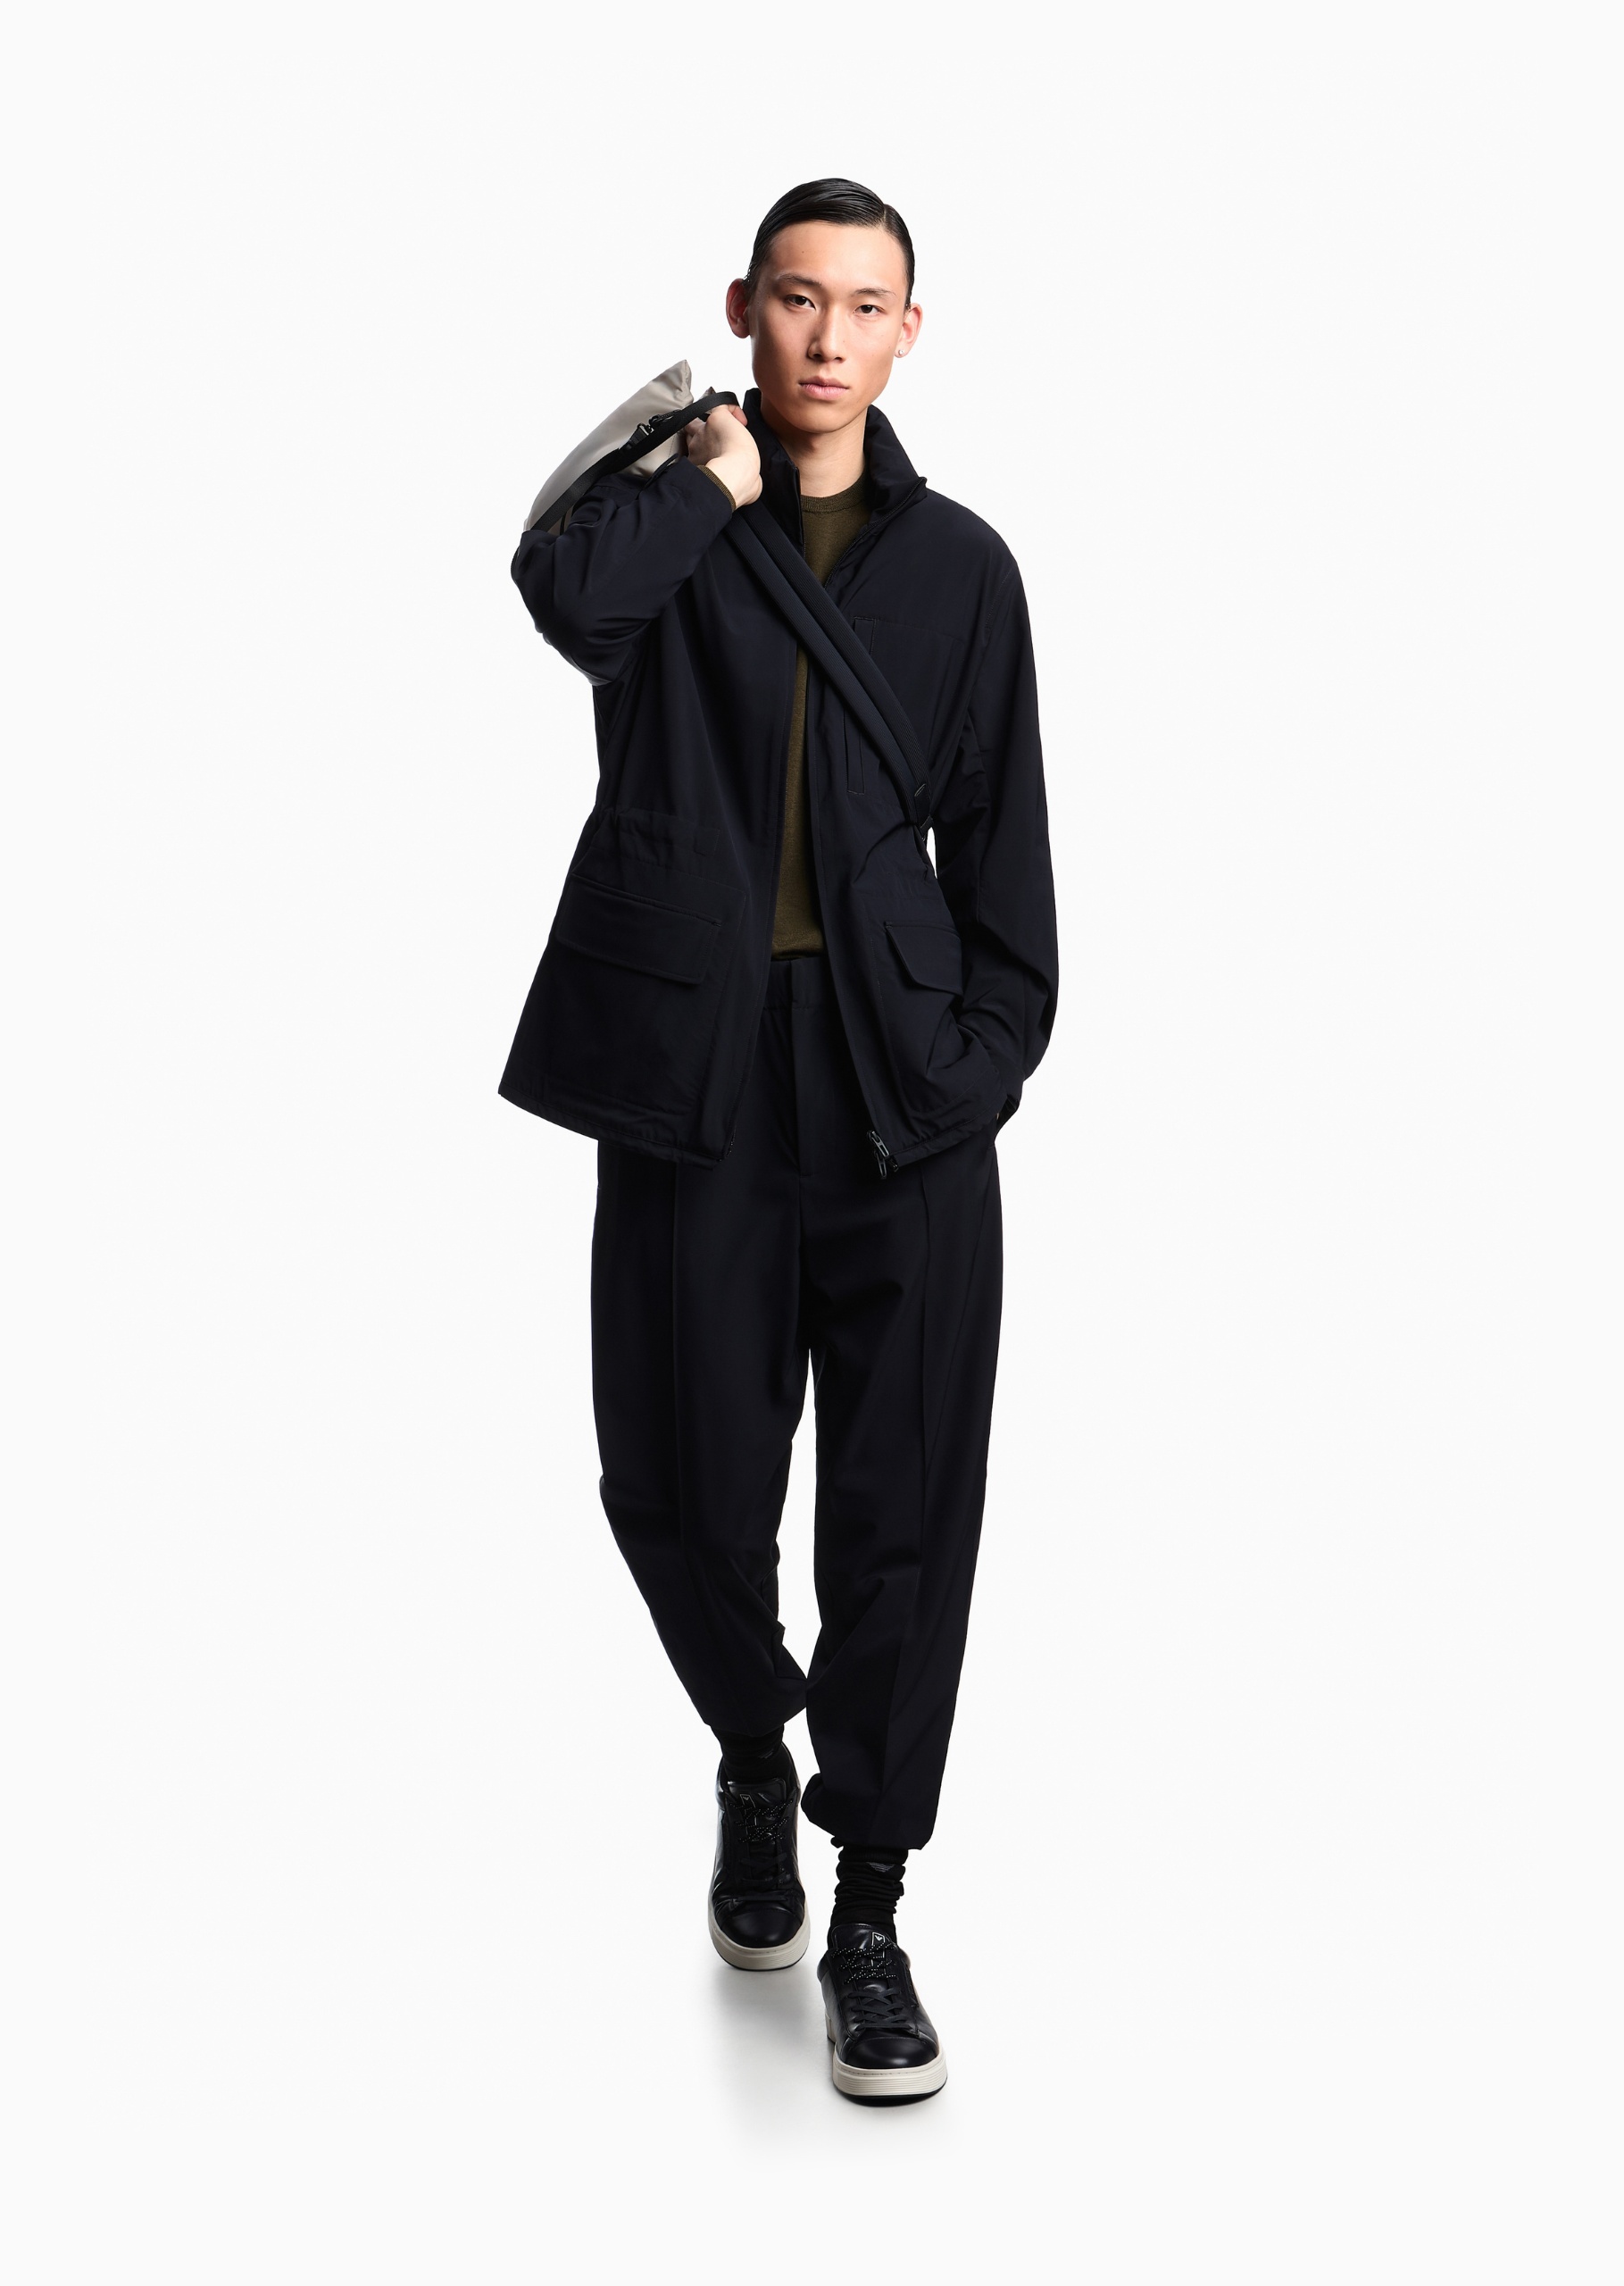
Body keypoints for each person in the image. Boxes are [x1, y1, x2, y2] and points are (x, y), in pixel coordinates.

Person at [504, 179, 1057, 2101]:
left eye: (864, 304)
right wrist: (707, 483)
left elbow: (1006, 847)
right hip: (697, 1073)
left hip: (905, 1091)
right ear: (743, 308)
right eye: (798, 298)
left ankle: (873, 1903)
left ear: (911, 330)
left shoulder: (965, 568)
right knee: (672, 1481)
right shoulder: (669, 526)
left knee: (908, 1511)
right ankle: (756, 1750)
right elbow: (564, 603)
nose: (828, 335)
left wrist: (983, 1059)